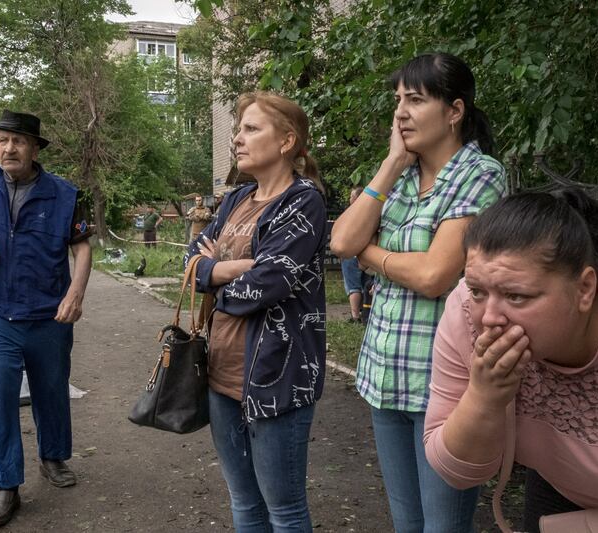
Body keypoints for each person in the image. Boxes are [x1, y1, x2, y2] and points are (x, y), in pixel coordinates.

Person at [423, 189, 598, 533]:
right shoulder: (465, 313)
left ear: (585, 289)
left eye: (516, 296)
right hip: (559, 491)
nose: (489, 318)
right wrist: (483, 398)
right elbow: (456, 471)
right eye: (478, 292)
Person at [330, 53, 506, 532]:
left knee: (442, 528)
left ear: (454, 110)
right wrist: (390, 163)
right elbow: (342, 241)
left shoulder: (480, 174)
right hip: (385, 374)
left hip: (443, 384)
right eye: (397, 101)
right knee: (406, 524)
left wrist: (373, 256)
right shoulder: (400, 177)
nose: (400, 113)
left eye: (415, 100)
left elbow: (435, 276)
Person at [188, 91, 327, 532]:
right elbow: (191, 262)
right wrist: (226, 269)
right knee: (245, 502)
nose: (237, 140)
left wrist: (213, 279)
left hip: (277, 375)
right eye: (237, 131)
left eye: (251, 129)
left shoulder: (303, 201)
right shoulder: (235, 200)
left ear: (286, 141)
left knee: (284, 510)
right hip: (220, 372)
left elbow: (267, 285)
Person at [0, 109, 94, 527]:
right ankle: (6, 486)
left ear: (35, 149)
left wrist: (76, 293)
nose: (8, 148)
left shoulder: (65, 194)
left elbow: (83, 246)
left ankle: (52, 457)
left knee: (51, 391)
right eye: (2, 140)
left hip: (51, 314)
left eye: (17, 142)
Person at [339, 186, 370, 323]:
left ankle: (355, 316)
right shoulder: (370, 212)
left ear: (357, 198)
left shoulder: (353, 213)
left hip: (351, 252)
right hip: (366, 253)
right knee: (364, 284)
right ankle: (365, 312)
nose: (350, 199)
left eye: (352, 196)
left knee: (353, 285)